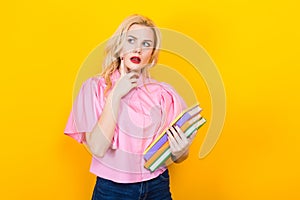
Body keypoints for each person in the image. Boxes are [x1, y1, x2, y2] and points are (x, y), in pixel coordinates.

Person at [64, 14, 196, 200]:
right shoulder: (94, 88)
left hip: (157, 186)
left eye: (146, 44)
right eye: (131, 40)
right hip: (112, 190)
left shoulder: (164, 94)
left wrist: (180, 151)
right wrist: (116, 94)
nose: (138, 49)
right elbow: (98, 148)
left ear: (152, 55)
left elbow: (179, 157)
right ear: (119, 47)